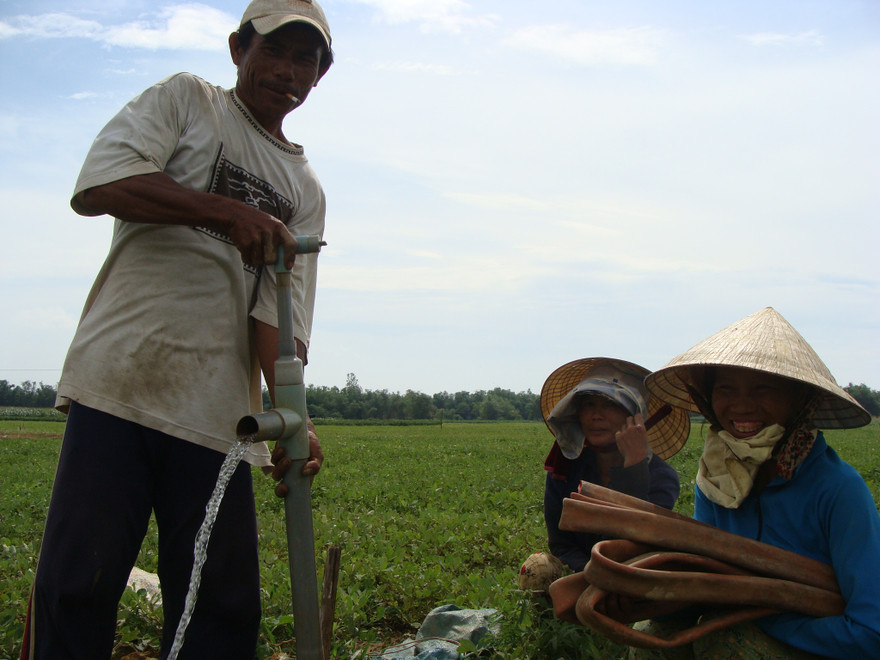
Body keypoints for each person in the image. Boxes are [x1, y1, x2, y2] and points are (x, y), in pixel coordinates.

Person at [21, 1, 334, 658]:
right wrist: (225, 213)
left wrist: (292, 413)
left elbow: (277, 316)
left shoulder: (303, 187)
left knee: (220, 607)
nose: (287, 70)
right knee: (80, 587)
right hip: (122, 382)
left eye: (305, 58)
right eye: (274, 50)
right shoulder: (189, 102)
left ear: (320, 75)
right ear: (237, 49)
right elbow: (101, 181)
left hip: (219, 417)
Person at [640, 306, 880, 658]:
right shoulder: (717, 479)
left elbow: (871, 631)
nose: (741, 406)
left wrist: (768, 621)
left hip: (822, 643)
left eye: (762, 389)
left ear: (799, 399)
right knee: (652, 637)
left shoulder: (837, 489)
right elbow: (708, 580)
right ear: (708, 398)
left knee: (727, 643)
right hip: (740, 620)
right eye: (726, 389)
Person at [540, 357, 690, 573]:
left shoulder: (660, 476)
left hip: (634, 574)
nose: (596, 416)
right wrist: (590, 574)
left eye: (610, 404)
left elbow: (638, 542)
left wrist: (634, 467)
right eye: (589, 404)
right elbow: (561, 544)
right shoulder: (564, 469)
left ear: (634, 418)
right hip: (582, 573)